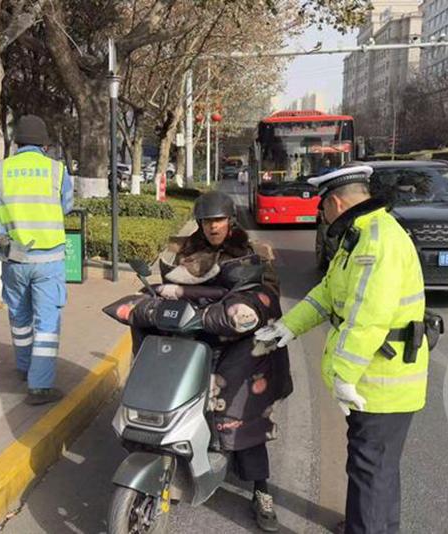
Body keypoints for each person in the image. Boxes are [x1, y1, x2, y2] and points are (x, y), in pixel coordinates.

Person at [255, 166, 428, 534]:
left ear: (335, 202)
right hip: (379, 375)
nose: (322, 215)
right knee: (377, 467)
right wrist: (289, 326)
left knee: (370, 469)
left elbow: (369, 318)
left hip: (383, 381)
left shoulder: (376, 242)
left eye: (322, 208)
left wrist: (344, 375)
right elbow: (328, 293)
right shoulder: (360, 235)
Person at [126, 191, 292, 532]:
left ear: (230, 221)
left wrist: (240, 312)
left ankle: (261, 491)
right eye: (206, 221)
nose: (213, 227)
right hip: (193, 337)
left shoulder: (253, 253)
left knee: (243, 415)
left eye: (218, 220)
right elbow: (169, 285)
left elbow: (267, 298)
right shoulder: (185, 250)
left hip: (239, 345)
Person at [0, 114, 74, 406]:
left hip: (13, 258)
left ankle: (24, 366)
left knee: (20, 317)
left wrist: (0, 236)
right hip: (48, 260)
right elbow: (66, 206)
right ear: (45, 145)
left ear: (16, 143)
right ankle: (40, 386)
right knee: (47, 323)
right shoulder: (57, 170)